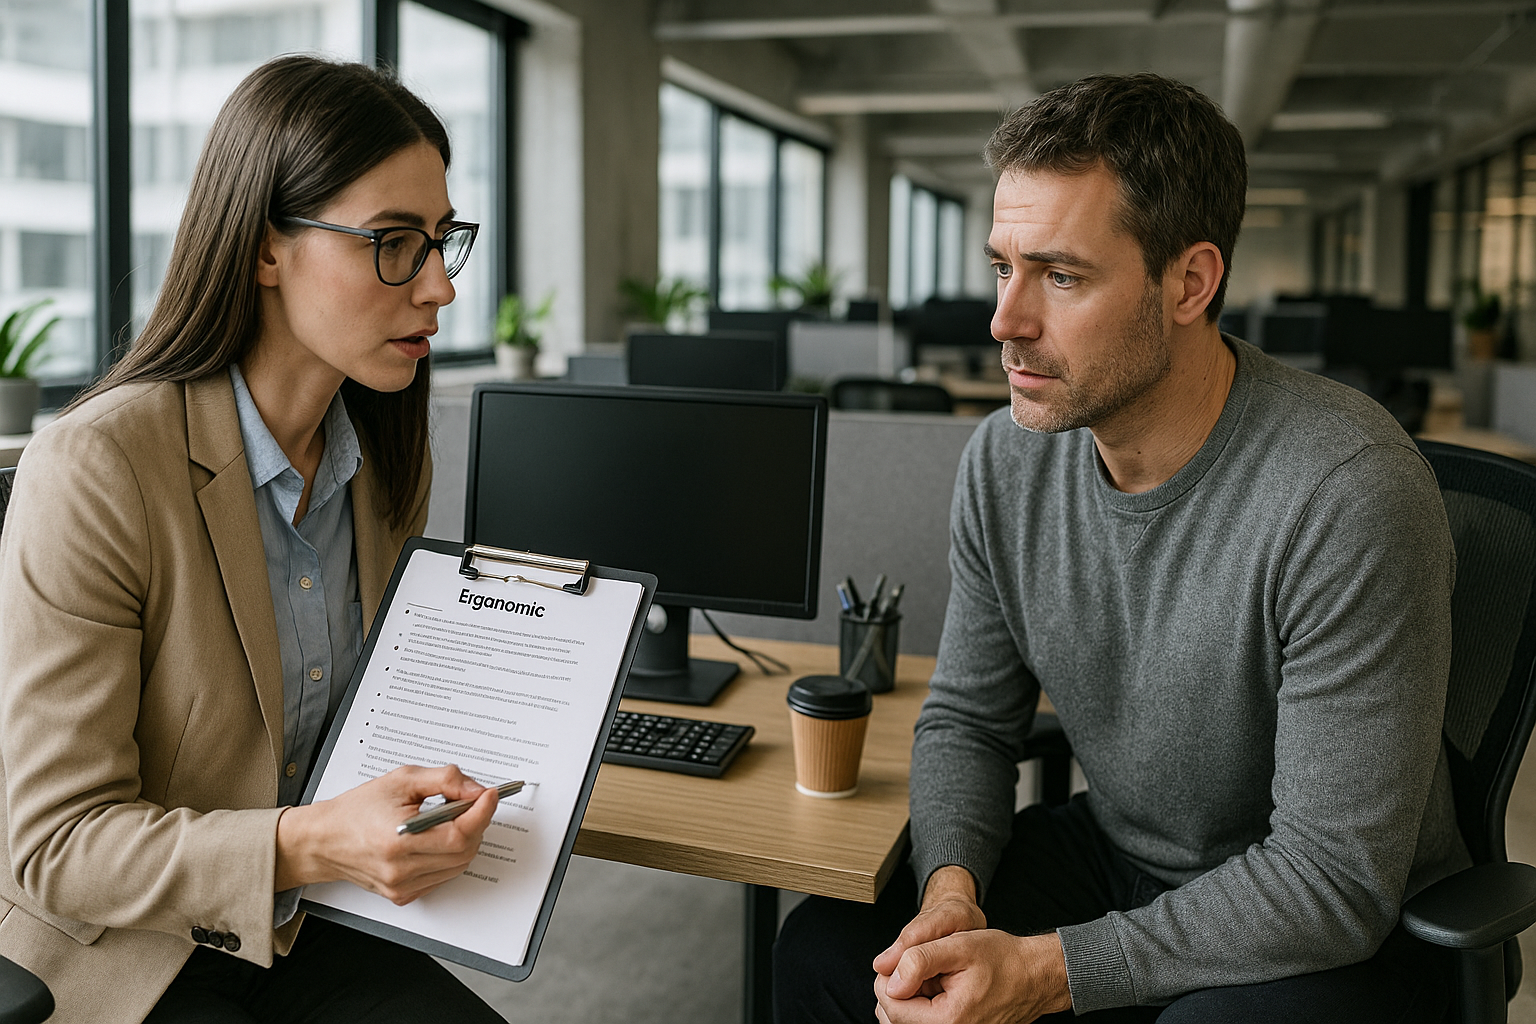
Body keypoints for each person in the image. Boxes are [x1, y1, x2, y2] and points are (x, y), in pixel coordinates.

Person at [775, 72, 1466, 1024]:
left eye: (1061, 276)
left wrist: (1048, 969)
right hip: (1121, 855)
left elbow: (1333, 877)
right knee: (828, 954)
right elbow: (970, 720)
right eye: (1003, 268)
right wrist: (951, 892)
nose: (1005, 321)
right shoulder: (1007, 461)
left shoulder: (1346, 491)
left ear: (1190, 282)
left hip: (1347, 924)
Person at [0, 56, 510, 1023]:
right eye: (395, 243)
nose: (440, 287)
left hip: (304, 923)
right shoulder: (99, 466)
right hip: (129, 954)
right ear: (267, 249)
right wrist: (310, 842)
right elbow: (58, 846)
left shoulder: (379, 461)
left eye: (444, 241)